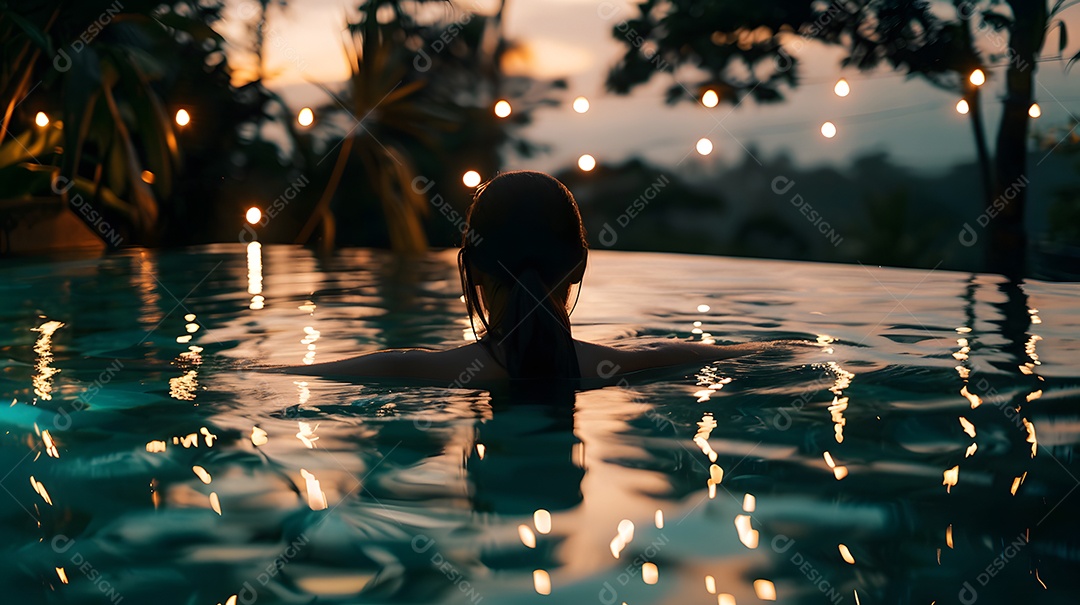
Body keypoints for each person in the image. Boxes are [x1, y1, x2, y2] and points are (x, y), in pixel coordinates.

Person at [287, 170, 773, 383]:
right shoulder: (637, 366)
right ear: (579, 265)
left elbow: (267, 377)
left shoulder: (407, 370)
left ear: (473, 269)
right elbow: (780, 352)